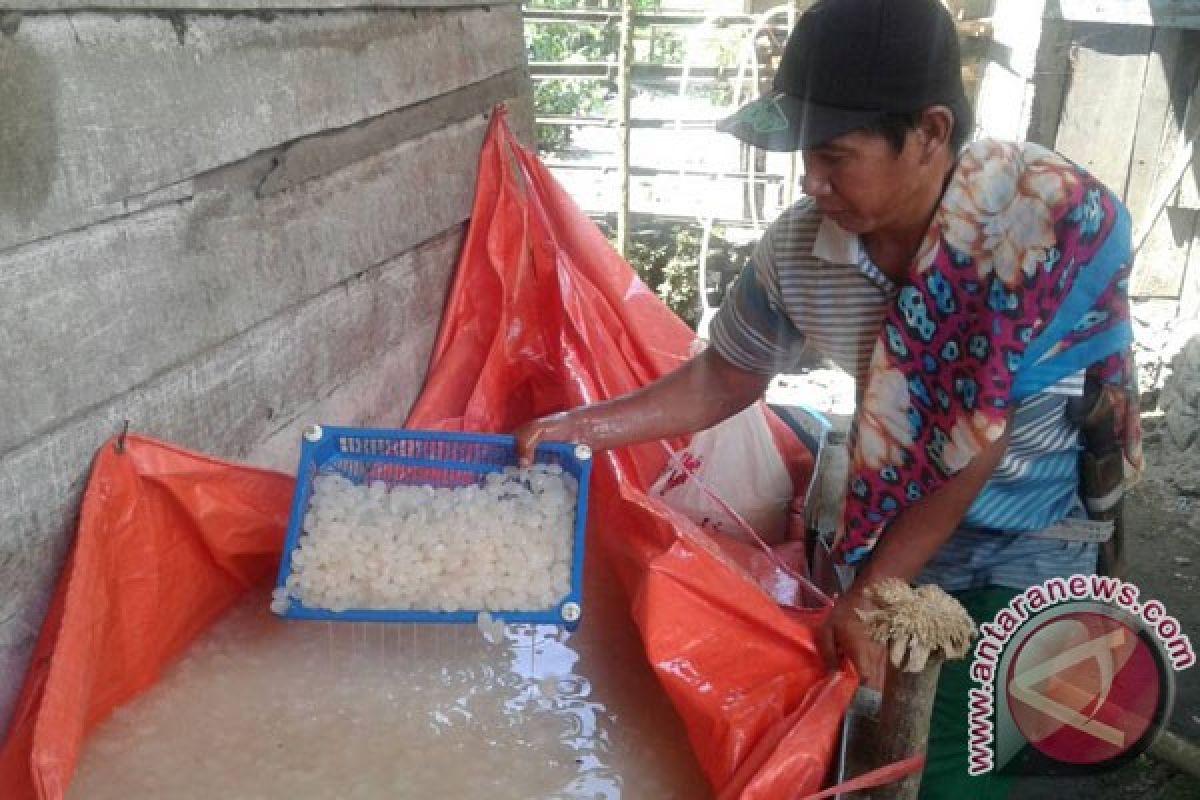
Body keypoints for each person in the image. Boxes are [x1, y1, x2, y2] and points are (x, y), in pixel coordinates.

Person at [514, 0, 1141, 797]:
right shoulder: (803, 249)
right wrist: (579, 428)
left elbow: (973, 441)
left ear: (931, 132)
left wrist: (874, 586)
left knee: (952, 763)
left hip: (1034, 529)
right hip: (897, 518)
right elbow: (728, 376)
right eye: (805, 152)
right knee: (848, 724)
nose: (811, 180)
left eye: (836, 155)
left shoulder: (1043, 222)